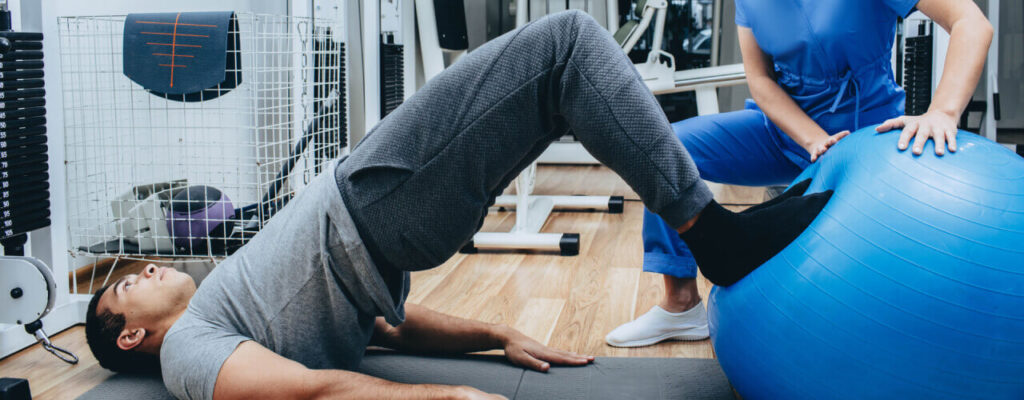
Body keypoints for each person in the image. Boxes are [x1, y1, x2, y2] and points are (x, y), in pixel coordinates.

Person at [85, 11, 833, 400]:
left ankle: (706, 223)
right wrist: (440, 395)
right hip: (374, 199)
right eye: (127, 287)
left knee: (560, 87)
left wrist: (494, 335)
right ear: (129, 340)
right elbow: (307, 391)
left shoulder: (227, 309)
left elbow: (376, 322)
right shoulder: (189, 351)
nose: (144, 268)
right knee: (567, 46)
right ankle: (711, 231)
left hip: (384, 220)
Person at [605, 0, 993, 348]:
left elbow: (971, 23)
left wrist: (942, 112)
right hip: (787, 132)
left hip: (866, 135)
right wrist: (813, 141)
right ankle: (681, 305)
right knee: (665, 147)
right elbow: (760, 80)